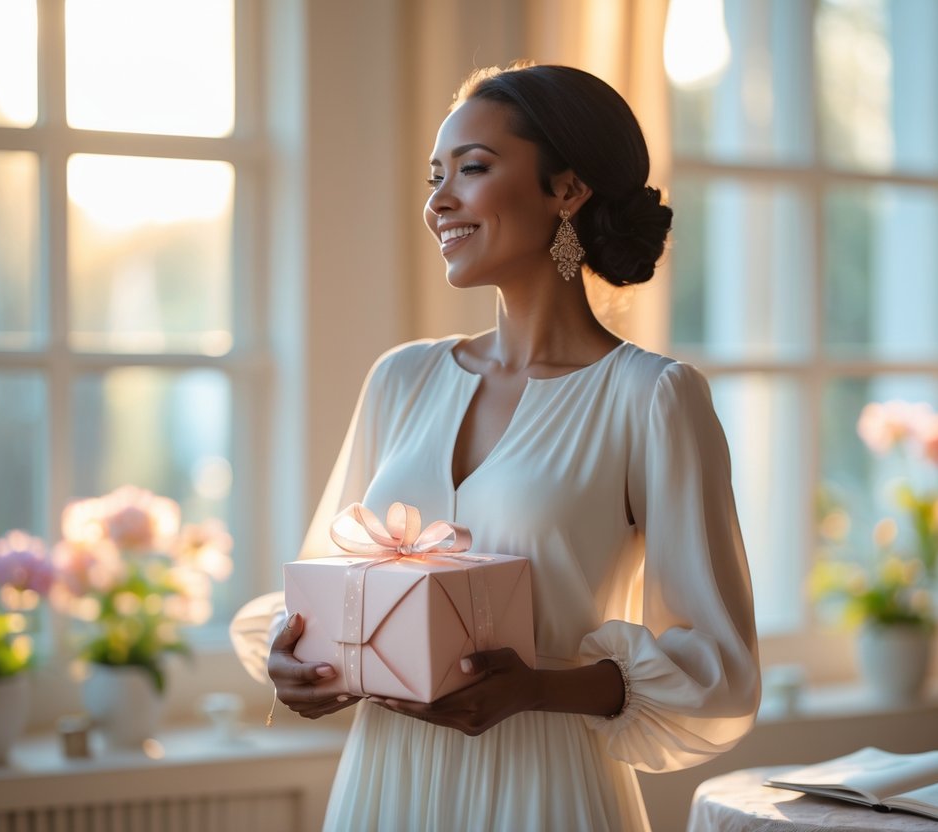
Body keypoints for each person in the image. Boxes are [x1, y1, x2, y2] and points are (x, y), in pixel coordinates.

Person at [231, 63, 760, 831]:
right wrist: (296, 658)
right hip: (385, 789)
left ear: (566, 189)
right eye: (433, 176)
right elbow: (325, 591)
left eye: (471, 170)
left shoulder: (651, 397)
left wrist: (535, 686)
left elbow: (717, 668)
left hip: (545, 792)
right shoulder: (401, 378)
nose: (437, 202)